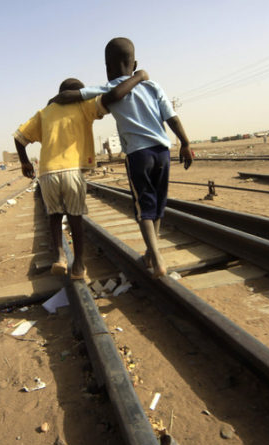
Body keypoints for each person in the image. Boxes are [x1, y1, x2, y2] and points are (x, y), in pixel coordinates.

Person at [51, 37, 194, 277]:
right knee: (157, 205)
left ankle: (156, 258)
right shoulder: (152, 86)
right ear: (135, 62)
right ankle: (151, 253)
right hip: (162, 152)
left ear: (107, 68)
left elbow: (72, 95)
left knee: (142, 208)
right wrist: (186, 143)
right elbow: (173, 118)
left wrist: (56, 100)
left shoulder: (109, 88)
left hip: (139, 155)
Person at [13, 73, 148, 279]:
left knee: (55, 216)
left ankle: (59, 255)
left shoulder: (44, 112)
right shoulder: (84, 106)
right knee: (75, 218)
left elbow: (20, 138)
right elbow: (112, 97)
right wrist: (137, 78)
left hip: (48, 173)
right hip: (72, 171)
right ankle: (78, 265)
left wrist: (24, 162)